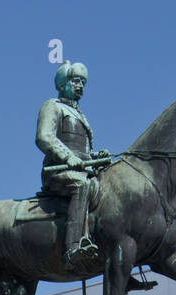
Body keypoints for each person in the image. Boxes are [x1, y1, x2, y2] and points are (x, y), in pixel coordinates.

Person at [38, 61, 111, 268]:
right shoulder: (52, 106)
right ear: (63, 83)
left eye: (83, 83)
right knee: (83, 185)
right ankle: (72, 248)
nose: (80, 86)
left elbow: (83, 153)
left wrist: (97, 156)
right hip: (58, 172)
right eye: (76, 81)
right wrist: (68, 157)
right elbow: (44, 137)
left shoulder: (81, 116)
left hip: (80, 171)